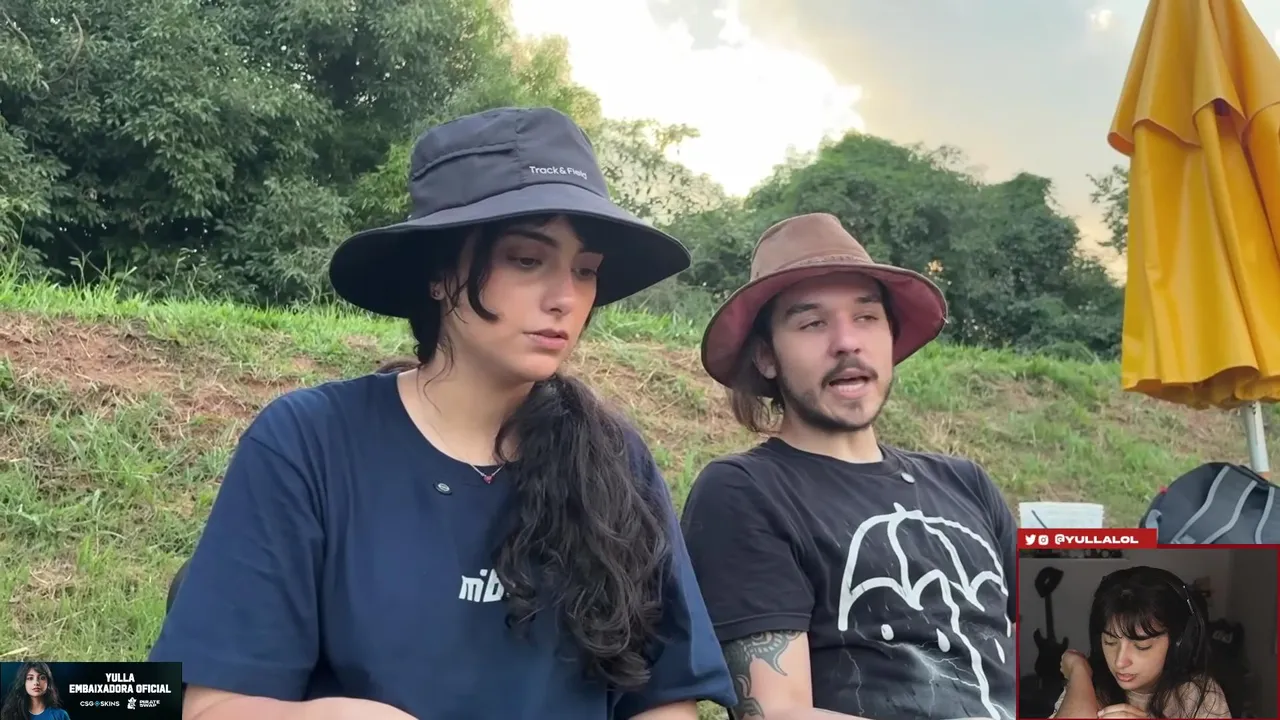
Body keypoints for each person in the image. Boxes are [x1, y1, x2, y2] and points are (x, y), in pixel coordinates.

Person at [149, 106, 736, 720]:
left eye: (585, 271)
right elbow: (211, 704)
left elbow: (663, 700)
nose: (565, 298)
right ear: (438, 273)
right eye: (526, 260)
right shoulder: (310, 445)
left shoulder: (616, 462)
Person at [680, 213, 1017, 720]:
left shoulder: (965, 483)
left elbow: (1059, 652)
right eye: (812, 323)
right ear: (766, 356)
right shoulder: (745, 492)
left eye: (866, 317)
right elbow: (775, 713)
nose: (847, 341)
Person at [1053, 566, 1231, 719]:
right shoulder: (1086, 685)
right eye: (1110, 642)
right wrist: (1079, 670)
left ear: (1178, 643)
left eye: (1141, 646)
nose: (1120, 662)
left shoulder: (1200, 695)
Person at [1, 662, 70, 720]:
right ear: (23, 683)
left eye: (42, 678)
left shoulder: (60, 715)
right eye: (30, 678)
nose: (36, 683)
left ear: (48, 683)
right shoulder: (11, 715)